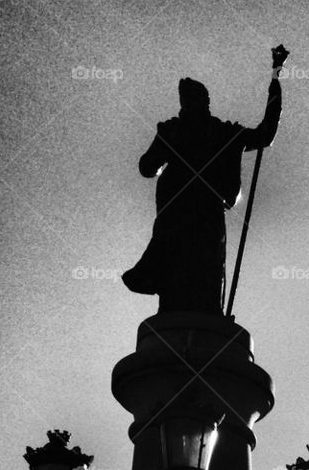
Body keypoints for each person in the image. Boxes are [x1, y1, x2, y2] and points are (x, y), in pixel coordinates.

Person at [123, 46, 287, 313]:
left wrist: (276, 76)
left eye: (194, 99)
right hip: (180, 214)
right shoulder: (178, 131)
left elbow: (265, 134)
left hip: (198, 214)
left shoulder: (215, 133)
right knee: (185, 272)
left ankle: (203, 321)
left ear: (202, 101)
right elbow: (147, 166)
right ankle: (188, 319)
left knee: (203, 272)